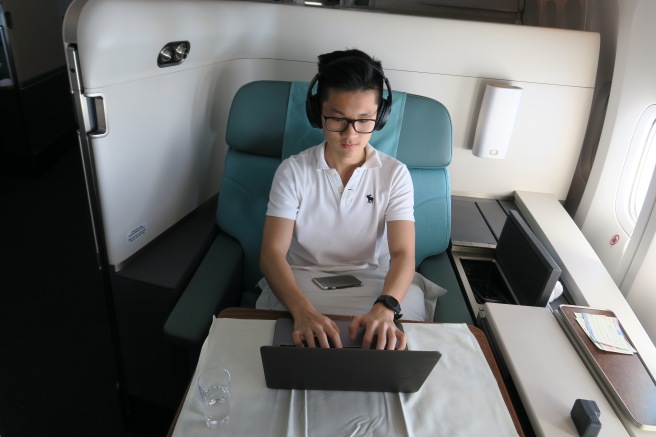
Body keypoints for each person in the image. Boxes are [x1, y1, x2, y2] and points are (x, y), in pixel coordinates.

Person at [256, 49, 430, 350]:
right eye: (337, 119)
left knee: (396, 352)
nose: (351, 134)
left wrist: (385, 308)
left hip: (377, 286)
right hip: (301, 286)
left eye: (364, 120)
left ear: (381, 116)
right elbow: (272, 253)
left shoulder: (395, 174)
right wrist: (303, 312)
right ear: (316, 114)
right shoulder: (293, 171)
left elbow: (403, 254)